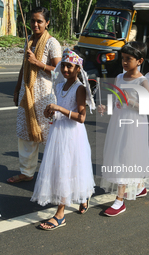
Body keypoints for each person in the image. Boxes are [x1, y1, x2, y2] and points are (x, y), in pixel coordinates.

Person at [31, 49, 96, 230]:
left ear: (78, 69)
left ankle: (60, 214)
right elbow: (57, 107)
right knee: (61, 168)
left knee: (67, 169)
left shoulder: (79, 88)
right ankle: (82, 196)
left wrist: (59, 109)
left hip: (72, 134)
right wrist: (49, 111)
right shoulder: (59, 86)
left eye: (70, 66)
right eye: (64, 65)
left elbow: (82, 117)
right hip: (58, 132)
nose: (66, 69)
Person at [7, 6, 62, 183]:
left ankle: (54, 174)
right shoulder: (29, 41)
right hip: (27, 92)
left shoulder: (52, 43)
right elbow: (24, 67)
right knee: (25, 134)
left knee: (48, 135)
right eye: (33, 20)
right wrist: (17, 89)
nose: (35, 24)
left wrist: (38, 63)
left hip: (44, 95)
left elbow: (60, 71)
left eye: (39, 21)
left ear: (47, 23)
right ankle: (27, 172)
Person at [98, 41, 149, 217]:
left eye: (129, 59)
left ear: (139, 60)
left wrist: (130, 100)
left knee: (126, 157)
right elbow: (116, 100)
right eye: (123, 59)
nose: (124, 62)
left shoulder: (143, 81)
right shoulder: (120, 78)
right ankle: (140, 186)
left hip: (134, 125)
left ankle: (119, 201)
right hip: (118, 122)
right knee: (122, 155)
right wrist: (106, 108)